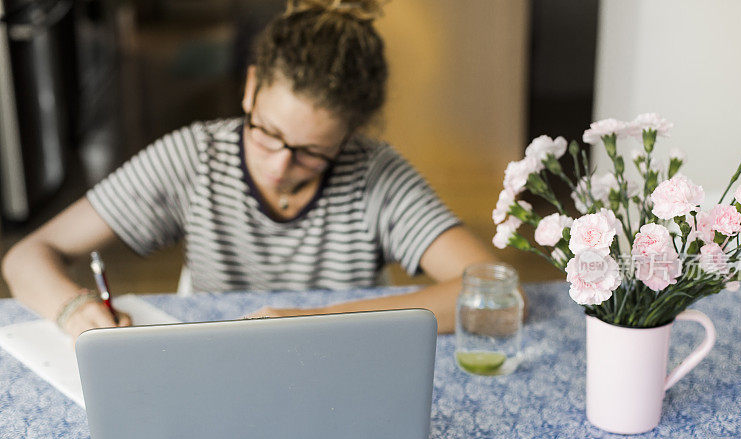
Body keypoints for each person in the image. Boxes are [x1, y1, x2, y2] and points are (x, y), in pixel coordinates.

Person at [1, 0, 497, 340]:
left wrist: (317, 320)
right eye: (267, 133)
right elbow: (25, 257)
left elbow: (493, 288)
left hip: (335, 370)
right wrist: (73, 310)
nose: (280, 166)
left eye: (312, 151)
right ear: (250, 87)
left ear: (349, 136)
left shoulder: (374, 175)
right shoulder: (195, 158)